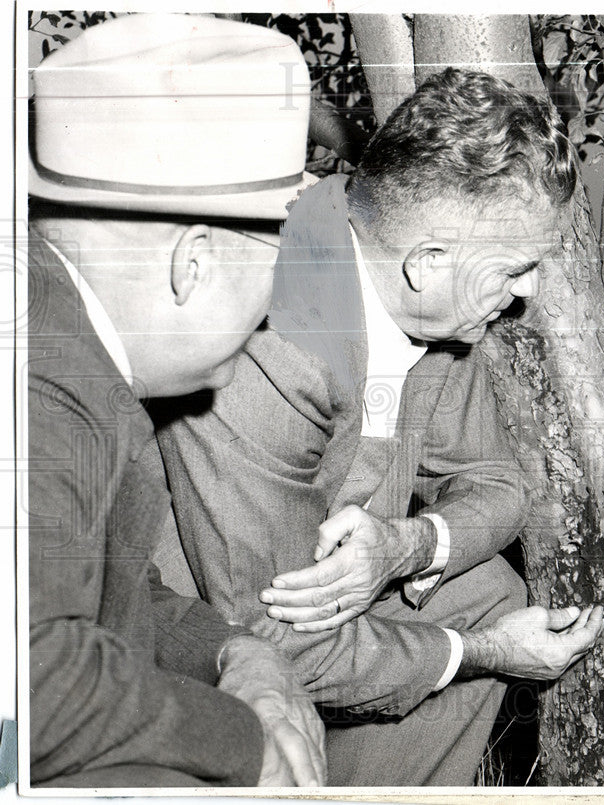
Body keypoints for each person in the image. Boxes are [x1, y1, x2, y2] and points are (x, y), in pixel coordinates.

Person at [153, 67, 604, 786]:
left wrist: (408, 543)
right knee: (472, 620)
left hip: (312, 596)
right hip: (183, 625)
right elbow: (269, 633)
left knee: (485, 584)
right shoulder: (276, 336)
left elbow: (498, 481)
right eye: (518, 268)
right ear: (427, 262)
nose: (530, 294)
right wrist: (479, 650)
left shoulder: (428, 299)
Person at [27, 14, 326, 788]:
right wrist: (243, 741)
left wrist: (236, 651)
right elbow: (32, 682)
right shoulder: (41, 383)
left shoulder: (61, 337)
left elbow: (102, 589)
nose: (271, 310)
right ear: (193, 261)